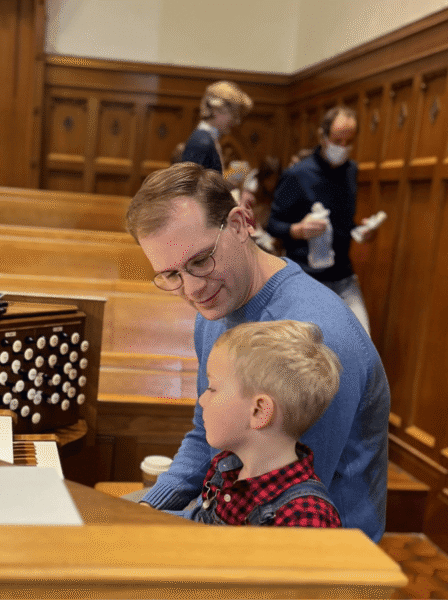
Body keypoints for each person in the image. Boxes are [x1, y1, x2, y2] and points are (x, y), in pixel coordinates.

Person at [125, 161, 389, 542]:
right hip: (234, 512)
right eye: (171, 275)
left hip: (318, 553)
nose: (192, 290)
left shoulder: (317, 337)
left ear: (239, 223)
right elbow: (206, 436)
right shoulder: (216, 303)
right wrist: (153, 506)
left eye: (200, 260)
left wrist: (165, 530)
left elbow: (279, 503)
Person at [166, 320, 342, 527]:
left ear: (259, 411)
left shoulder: (305, 517)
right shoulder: (226, 467)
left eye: (212, 388)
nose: (202, 400)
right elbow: (199, 528)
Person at [266, 107, 375, 334]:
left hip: (343, 276)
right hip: (307, 277)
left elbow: (343, 222)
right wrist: (298, 230)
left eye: (349, 141)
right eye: (337, 140)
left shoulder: (351, 171)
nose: (342, 147)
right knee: (311, 348)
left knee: (362, 341)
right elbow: (273, 223)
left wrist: (362, 230)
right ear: (322, 137)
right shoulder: (297, 174)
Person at [181, 81, 253, 173]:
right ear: (216, 109)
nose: (237, 122)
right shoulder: (201, 142)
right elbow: (190, 185)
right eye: (234, 115)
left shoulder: (207, 139)